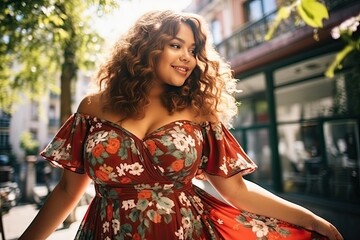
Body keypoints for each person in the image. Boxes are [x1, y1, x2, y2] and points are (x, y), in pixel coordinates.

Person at [19, 10, 343, 240]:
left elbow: (236, 190)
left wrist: (310, 219)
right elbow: (65, 191)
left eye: (193, 50)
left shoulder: (199, 112)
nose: (188, 57)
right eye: (176, 45)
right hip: (105, 232)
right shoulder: (92, 107)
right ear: (145, 48)